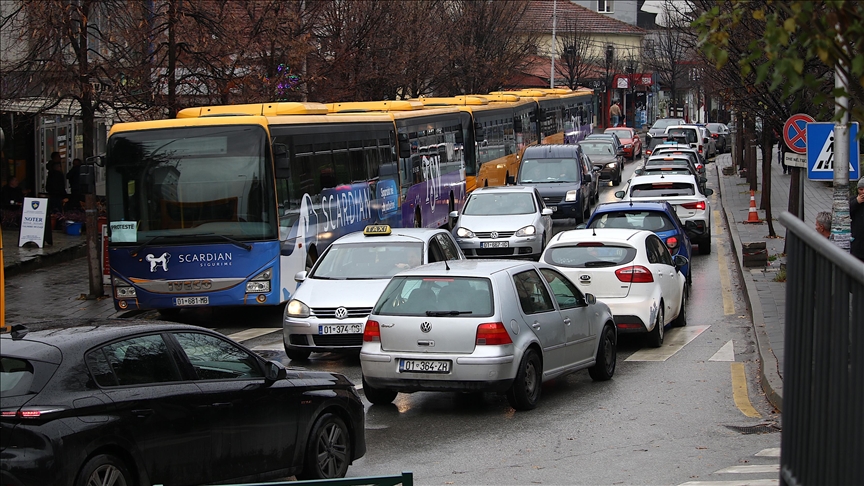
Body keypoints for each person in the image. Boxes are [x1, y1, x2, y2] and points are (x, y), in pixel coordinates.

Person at [850, 176, 864, 262]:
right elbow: (846, 212)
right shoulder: (853, 200)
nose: (863, 192)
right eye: (861, 189)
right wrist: (856, 202)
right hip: (857, 244)